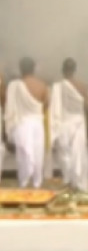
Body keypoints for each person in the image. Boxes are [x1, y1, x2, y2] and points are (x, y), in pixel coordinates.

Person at [48, 58, 88, 192]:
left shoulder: (58, 86)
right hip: (78, 122)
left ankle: (69, 180)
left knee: (64, 153)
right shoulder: (82, 86)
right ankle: (77, 181)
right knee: (78, 152)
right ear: (75, 70)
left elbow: (54, 106)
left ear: (63, 70)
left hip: (64, 123)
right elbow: (87, 106)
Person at [5, 57, 48, 188]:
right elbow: (46, 105)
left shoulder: (14, 86)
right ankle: (37, 183)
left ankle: (23, 183)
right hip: (37, 124)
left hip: (21, 124)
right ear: (34, 69)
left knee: (23, 154)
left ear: (21, 69)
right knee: (37, 153)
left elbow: (8, 105)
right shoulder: (42, 85)